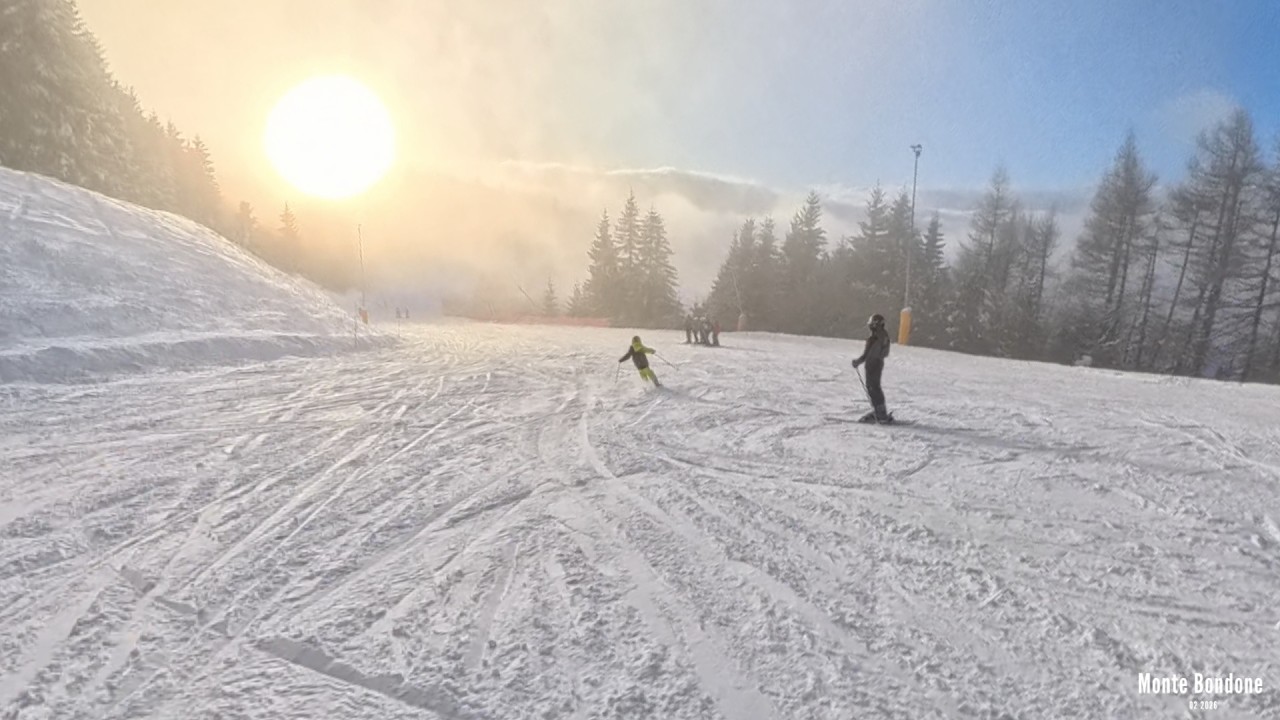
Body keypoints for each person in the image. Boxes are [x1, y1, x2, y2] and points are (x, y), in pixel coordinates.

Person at [851, 313, 892, 422]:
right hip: (879, 362)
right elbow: (885, 352)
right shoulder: (884, 336)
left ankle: (879, 414)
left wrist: (857, 362)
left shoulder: (874, 338)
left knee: (872, 388)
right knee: (876, 387)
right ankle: (880, 411)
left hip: (872, 364)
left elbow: (866, 355)